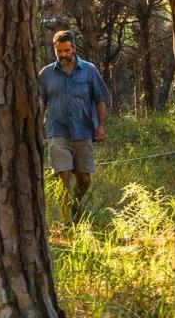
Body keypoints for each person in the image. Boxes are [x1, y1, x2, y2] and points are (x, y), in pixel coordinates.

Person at [38, 30, 110, 222]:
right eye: (59, 51)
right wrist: (38, 128)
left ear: (74, 49)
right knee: (63, 179)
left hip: (83, 131)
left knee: (84, 179)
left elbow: (100, 99)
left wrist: (101, 127)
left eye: (66, 50)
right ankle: (65, 221)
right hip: (57, 131)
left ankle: (76, 207)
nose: (63, 55)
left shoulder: (89, 70)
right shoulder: (46, 74)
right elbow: (41, 103)